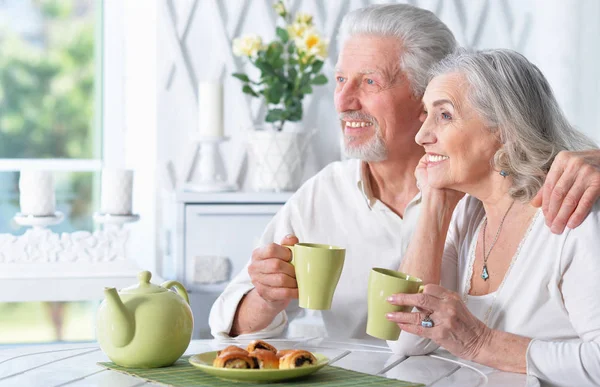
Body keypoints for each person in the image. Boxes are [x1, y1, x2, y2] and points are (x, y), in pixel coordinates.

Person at [209, 4, 600, 341]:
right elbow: (229, 326)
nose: (344, 102)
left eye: (369, 81)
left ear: (426, 96)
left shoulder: (486, 184)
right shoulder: (324, 193)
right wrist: (266, 296)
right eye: (341, 80)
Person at [386, 49, 600, 387]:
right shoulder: (467, 215)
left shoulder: (574, 216)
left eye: (443, 115)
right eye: (426, 115)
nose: (421, 135)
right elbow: (407, 340)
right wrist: (434, 206)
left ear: (503, 128)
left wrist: (483, 343)